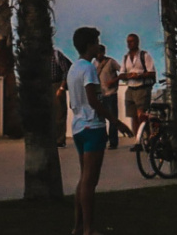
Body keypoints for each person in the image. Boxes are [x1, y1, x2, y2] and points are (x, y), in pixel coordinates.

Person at [68, 26, 107, 235]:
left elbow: (73, 102)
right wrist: (114, 121)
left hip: (78, 128)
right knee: (90, 181)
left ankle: (78, 227)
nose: (99, 46)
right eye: (96, 42)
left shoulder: (73, 69)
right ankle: (89, 229)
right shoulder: (89, 69)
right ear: (90, 45)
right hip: (92, 127)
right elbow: (93, 100)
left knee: (83, 179)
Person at [120, 33, 156, 143]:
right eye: (128, 42)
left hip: (142, 87)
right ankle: (138, 140)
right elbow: (121, 73)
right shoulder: (126, 57)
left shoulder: (144, 55)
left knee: (141, 115)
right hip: (131, 87)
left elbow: (151, 72)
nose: (129, 44)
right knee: (133, 116)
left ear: (137, 42)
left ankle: (148, 137)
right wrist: (127, 76)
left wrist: (139, 75)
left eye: (131, 41)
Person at [95, 43, 124, 150]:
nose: (98, 55)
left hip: (111, 94)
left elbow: (122, 72)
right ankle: (103, 140)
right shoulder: (94, 64)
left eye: (99, 52)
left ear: (103, 52)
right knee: (100, 120)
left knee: (112, 118)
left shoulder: (111, 62)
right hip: (100, 95)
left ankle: (113, 142)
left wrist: (113, 81)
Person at [52, 45, 72, 147]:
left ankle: (59, 140)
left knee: (60, 113)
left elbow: (66, 71)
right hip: (45, 85)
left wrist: (61, 88)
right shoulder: (40, 57)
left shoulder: (56, 54)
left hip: (57, 84)